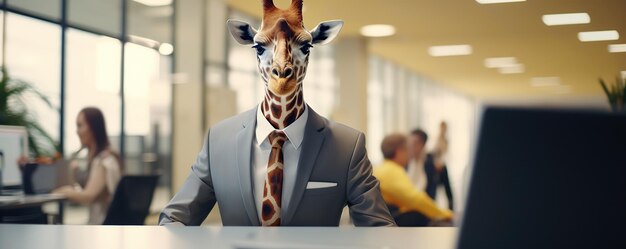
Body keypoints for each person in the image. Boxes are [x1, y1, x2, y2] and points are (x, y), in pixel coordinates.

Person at [159, 0, 395, 226]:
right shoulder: (219, 141)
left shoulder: (347, 147)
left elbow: (380, 229)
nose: (282, 64)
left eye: (302, 47)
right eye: (262, 48)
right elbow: (174, 219)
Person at [53, 107, 122, 225]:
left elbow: (88, 196)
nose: (77, 131)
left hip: (101, 228)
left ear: (93, 128)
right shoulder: (104, 157)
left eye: (80, 125)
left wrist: (64, 191)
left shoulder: (104, 160)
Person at [373, 133, 453, 227]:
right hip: (389, 222)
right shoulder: (392, 171)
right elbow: (416, 199)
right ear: (399, 152)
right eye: (407, 150)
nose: (409, 155)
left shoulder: (380, 168)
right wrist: (448, 214)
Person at [408, 128, 454, 210]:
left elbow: (448, 193)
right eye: (409, 143)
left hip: (426, 211)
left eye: (415, 143)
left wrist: (450, 214)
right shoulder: (405, 163)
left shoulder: (435, 164)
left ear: (423, 144)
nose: (411, 146)